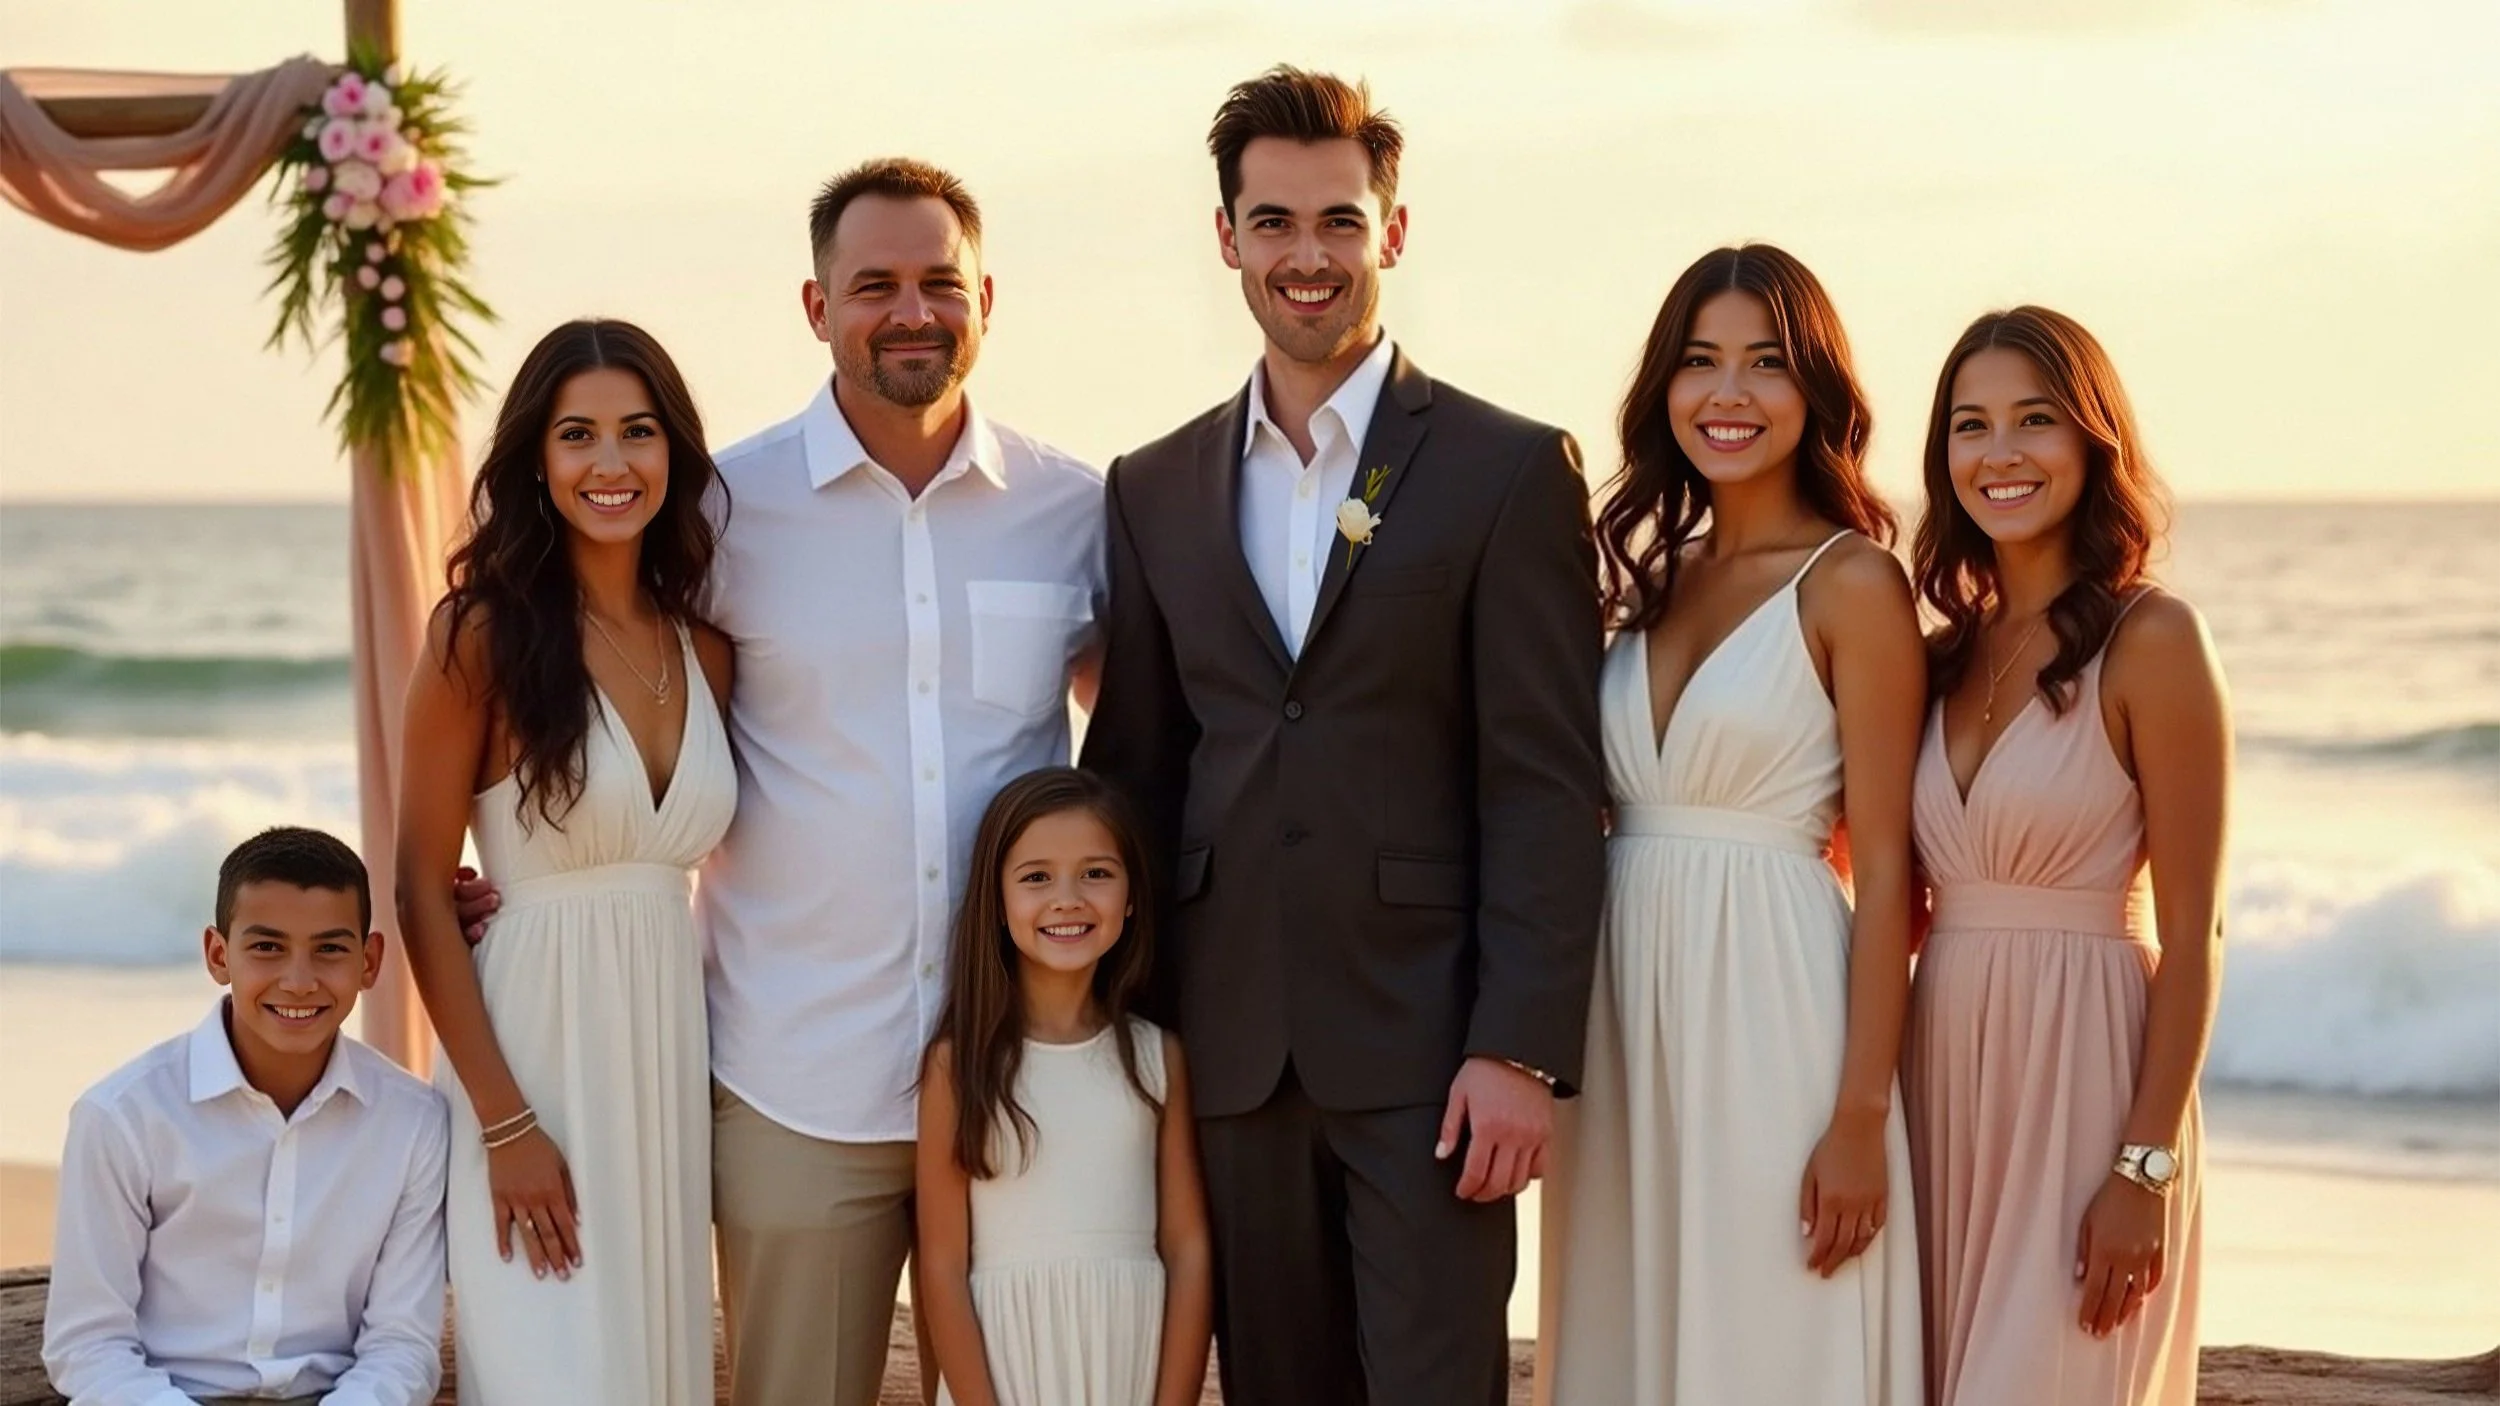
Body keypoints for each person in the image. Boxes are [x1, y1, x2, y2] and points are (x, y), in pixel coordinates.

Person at [455, 158, 1107, 1406]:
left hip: (1015, 1075)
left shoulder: (1074, 510)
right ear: (817, 306)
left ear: (985, 298)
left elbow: (1150, 747)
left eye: (939, 283)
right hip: (791, 1079)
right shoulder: (717, 511)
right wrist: (513, 875)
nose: (910, 311)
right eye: (873, 285)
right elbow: (592, 678)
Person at [1081, 67, 1607, 1405]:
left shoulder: (1503, 468)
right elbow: (1136, 770)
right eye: (1273, 222)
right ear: (1227, 238)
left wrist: (1520, 1046)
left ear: (1393, 230)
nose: (1305, 255)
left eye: (1338, 220)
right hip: (1229, 1047)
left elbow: (1545, 780)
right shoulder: (1154, 486)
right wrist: (1112, 1038)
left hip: (1432, 1051)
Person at [1537, 243, 1925, 1405]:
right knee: (1624, 1332)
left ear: (1815, 390)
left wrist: (1858, 1115)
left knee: (1767, 1334)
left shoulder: (1853, 582)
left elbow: (1889, 871)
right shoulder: (1646, 578)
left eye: (1766, 363)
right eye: (1700, 360)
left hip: (1773, 1010)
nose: (1729, 392)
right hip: (1621, 1011)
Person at [399, 318, 737, 1404]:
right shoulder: (480, 635)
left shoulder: (705, 650)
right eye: (576, 434)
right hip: (532, 1059)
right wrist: (505, 1125)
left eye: (637, 431)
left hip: (665, 1063)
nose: (609, 462)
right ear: (535, 461)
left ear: (672, 450)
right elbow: (418, 888)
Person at [1904, 306, 2223, 1406]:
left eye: (2034, 420)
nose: (2000, 453)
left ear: (2093, 440)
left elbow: (2196, 932)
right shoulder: (1939, 656)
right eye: (1971, 425)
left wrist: (2145, 1167)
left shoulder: (2155, 639)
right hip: (1941, 1087)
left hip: (2088, 1076)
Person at [43, 826, 448, 1406]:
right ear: (218, 955)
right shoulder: (121, 1117)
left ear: (370, 960)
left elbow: (401, 1345)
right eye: (267, 948)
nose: (299, 981)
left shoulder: (413, 1123)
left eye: (330, 949)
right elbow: (87, 1343)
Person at [915, 767, 1213, 1406]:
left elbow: (1187, 1249)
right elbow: (941, 1266)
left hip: (1126, 1364)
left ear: (1131, 896)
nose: (1068, 898)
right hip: (1006, 1371)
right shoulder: (956, 1066)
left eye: (1096, 873)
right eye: (1036, 878)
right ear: (997, 902)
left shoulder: (1157, 1059)